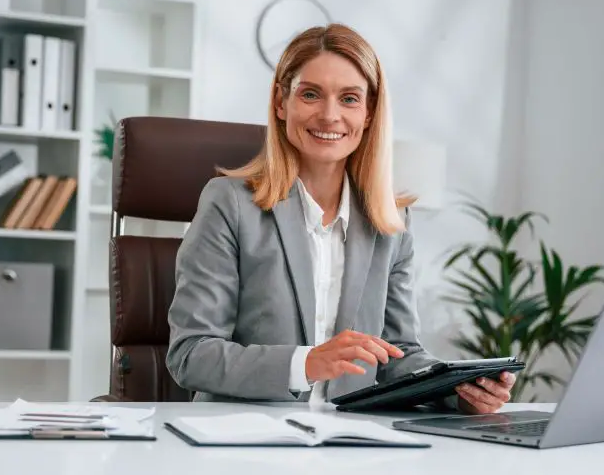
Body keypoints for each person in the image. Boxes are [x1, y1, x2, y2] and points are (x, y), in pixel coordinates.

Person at [165, 23, 514, 415]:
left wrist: (457, 388)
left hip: (352, 440)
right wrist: (306, 364)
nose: (329, 115)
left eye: (349, 98)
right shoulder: (229, 204)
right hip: (248, 436)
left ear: (369, 113)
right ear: (282, 103)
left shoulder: (391, 221)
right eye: (310, 94)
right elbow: (191, 353)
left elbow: (399, 355)